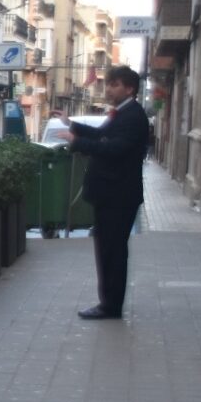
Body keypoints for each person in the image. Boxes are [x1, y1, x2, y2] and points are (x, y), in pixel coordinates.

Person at [70, 65, 149, 320]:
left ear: (130, 89)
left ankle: (110, 305)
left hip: (118, 195)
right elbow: (102, 134)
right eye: (109, 84)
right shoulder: (122, 112)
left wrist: (77, 143)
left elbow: (115, 148)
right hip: (111, 194)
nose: (109, 90)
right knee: (106, 249)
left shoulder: (133, 116)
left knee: (112, 251)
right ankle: (108, 302)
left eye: (115, 85)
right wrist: (72, 126)